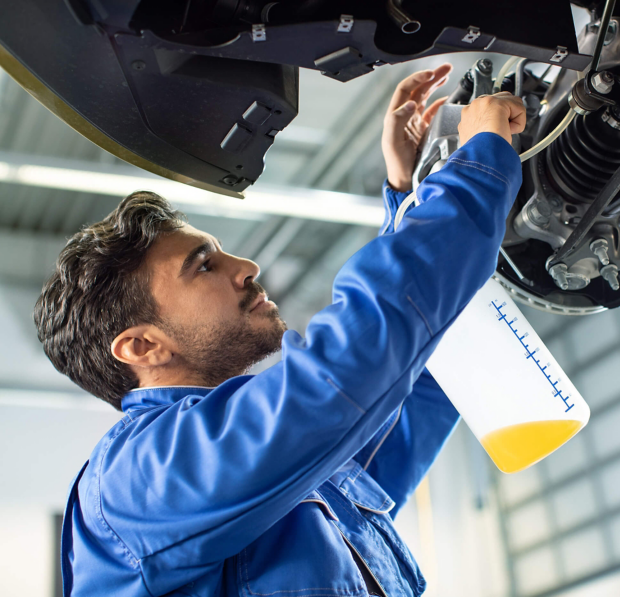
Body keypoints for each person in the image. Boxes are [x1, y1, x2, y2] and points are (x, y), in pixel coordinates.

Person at [34, 63, 526, 597]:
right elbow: (345, 374)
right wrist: (476, 174)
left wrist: (409, 197)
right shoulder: (139, 482)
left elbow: (407, 375)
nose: (246, 265)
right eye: (204, 265)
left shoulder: (298, 467)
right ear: (142, 345)